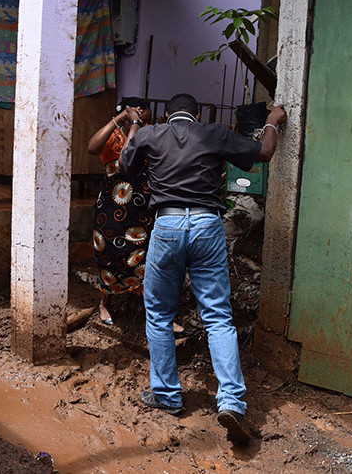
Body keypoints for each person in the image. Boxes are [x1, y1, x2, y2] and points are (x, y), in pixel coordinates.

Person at [119, 93, 286, 444]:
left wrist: (135, 122)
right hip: (207, 225)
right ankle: (231, 402)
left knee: (160, 314)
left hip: (166, 225)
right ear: (197, 114)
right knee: (218, 317)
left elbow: (125, 163)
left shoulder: (151, 134)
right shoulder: (214, 132)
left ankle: (166, 394)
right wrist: (273, 119)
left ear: (167, 114)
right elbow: (265, 153)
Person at [85, 97, 152, 326]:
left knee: (143, 258)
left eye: (144, 110)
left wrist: (136, 125)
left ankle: (151, 312)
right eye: (137, 110)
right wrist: (123, 119)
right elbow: (92, 147)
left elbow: (129, 157)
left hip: (141, 209)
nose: (141, 113)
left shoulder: (150, 135)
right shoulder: (114, 135)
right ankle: (105, 303)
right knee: (108, 255)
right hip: (111, 207)